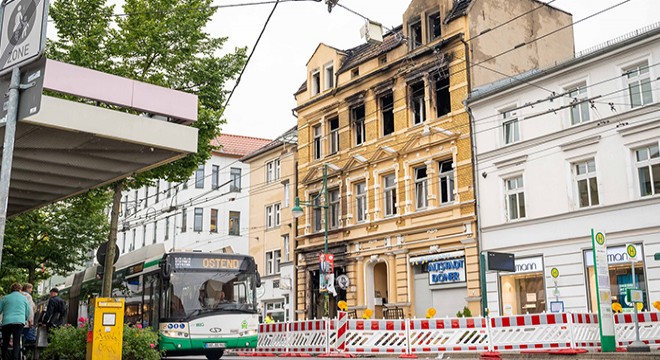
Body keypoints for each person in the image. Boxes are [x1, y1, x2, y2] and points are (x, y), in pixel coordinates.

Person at [0, 283, 31, 360]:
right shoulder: (24, 298)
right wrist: (24, 319)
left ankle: (4, 357)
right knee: (16, 342)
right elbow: (27, 311)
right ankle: (15, 358)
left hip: (7, 322)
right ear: (20, 290)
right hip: (19, 322)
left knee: (5, 341)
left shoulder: (5, 298)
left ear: (11, 290)